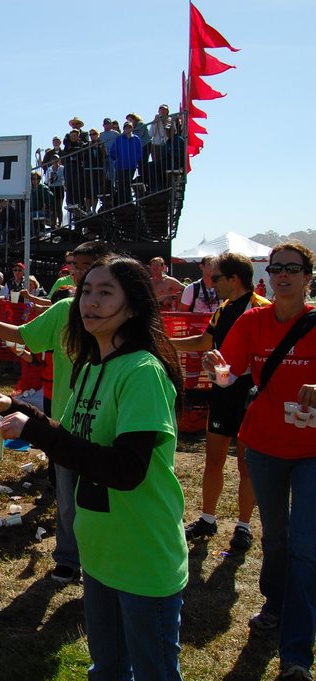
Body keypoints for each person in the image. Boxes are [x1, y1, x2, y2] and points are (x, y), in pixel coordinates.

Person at [0, 255, 187, 680]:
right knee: (106, 671)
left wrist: (34, 432)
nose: (91, 302)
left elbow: (126, 470)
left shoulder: (142, 372)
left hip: (143, 554)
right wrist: (15, 407)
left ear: (135, 306)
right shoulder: (91, 367)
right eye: (87, 291)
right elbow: (70, 437)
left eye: (106, 293)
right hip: (100, 552)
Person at [0, 240, 113, 583]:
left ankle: (104, 559)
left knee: (104, 496)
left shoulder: (122, 314)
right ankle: (68, 559)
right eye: (74, 266)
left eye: (82, 265)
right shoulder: (63, 311)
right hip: (64, 419)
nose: (75, 272)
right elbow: (24, 335)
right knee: (66, 495)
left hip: (107, 420)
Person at [203, 241, 316, 681]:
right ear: (269, 276)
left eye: (294, 268)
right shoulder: (252, 320)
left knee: (306, 549)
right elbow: (229, 375)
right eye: (278, 268)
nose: (284, 274)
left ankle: (296, 656)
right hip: (265, 445)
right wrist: (216, 368)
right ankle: (273, 602)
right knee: (277, 539)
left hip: (311, 452)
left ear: (308, 276)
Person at [171, 252, 269, 551]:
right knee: (213, 460)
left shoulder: (261, 308)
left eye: (216, 278)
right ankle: (207, 519)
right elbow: (205, 341)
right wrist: (166, 343)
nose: (211, 283)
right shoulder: (224, 309)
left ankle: (243, 526)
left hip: (251, 395)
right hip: (224, 393)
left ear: (233, 279)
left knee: (246, 465)